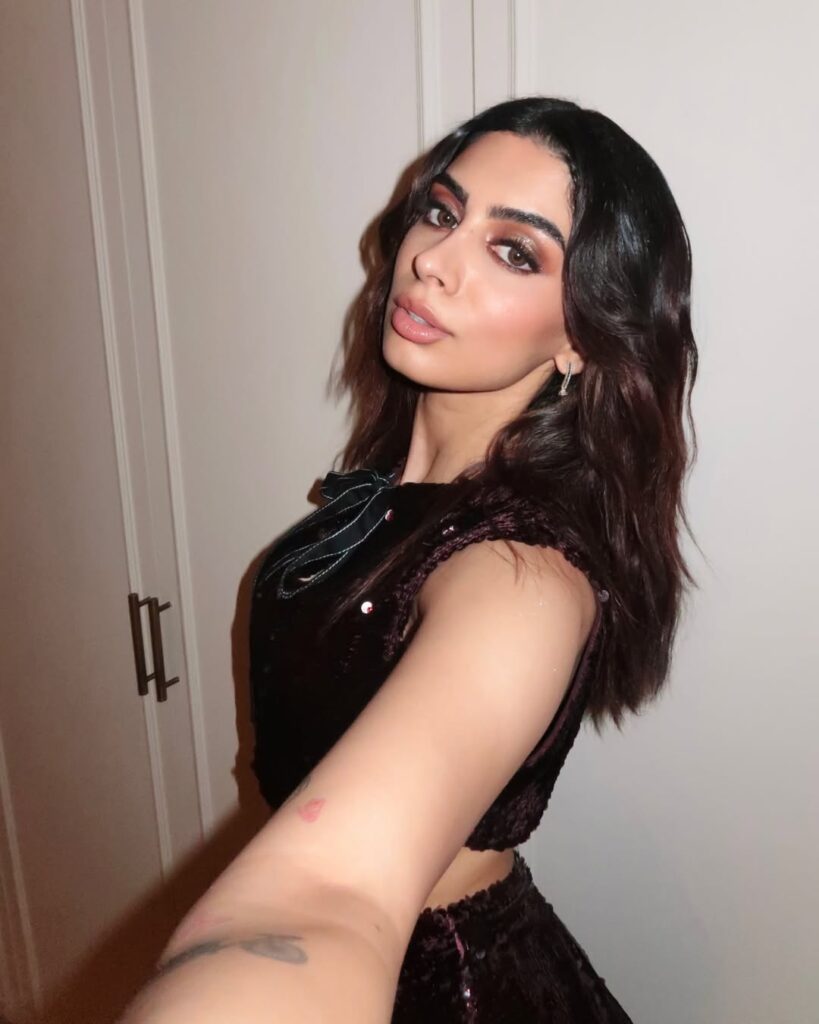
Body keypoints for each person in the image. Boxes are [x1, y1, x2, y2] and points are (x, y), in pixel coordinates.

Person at [120, 96, 698, 1023]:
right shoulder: (395, 492)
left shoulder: (523, 577)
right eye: (440, 211)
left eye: (514, 251)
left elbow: (331, 897)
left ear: (581, 335)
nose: (432, 259)